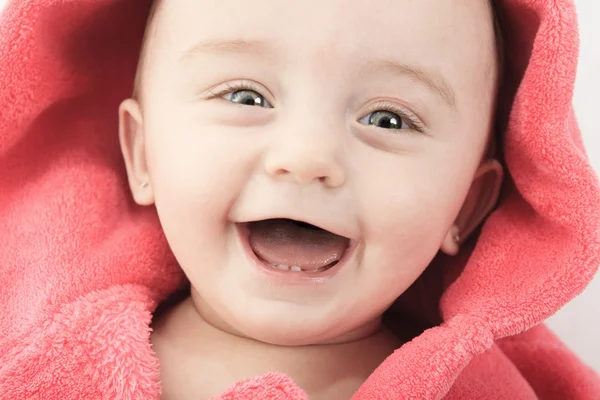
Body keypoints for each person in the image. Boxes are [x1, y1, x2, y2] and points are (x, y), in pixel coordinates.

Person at [0, 0, 599, 399]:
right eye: (246, 97)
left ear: (466, 207)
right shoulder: (46, 363)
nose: (308, 156)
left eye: (388, 119)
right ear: (143, 154)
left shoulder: (473, 389)